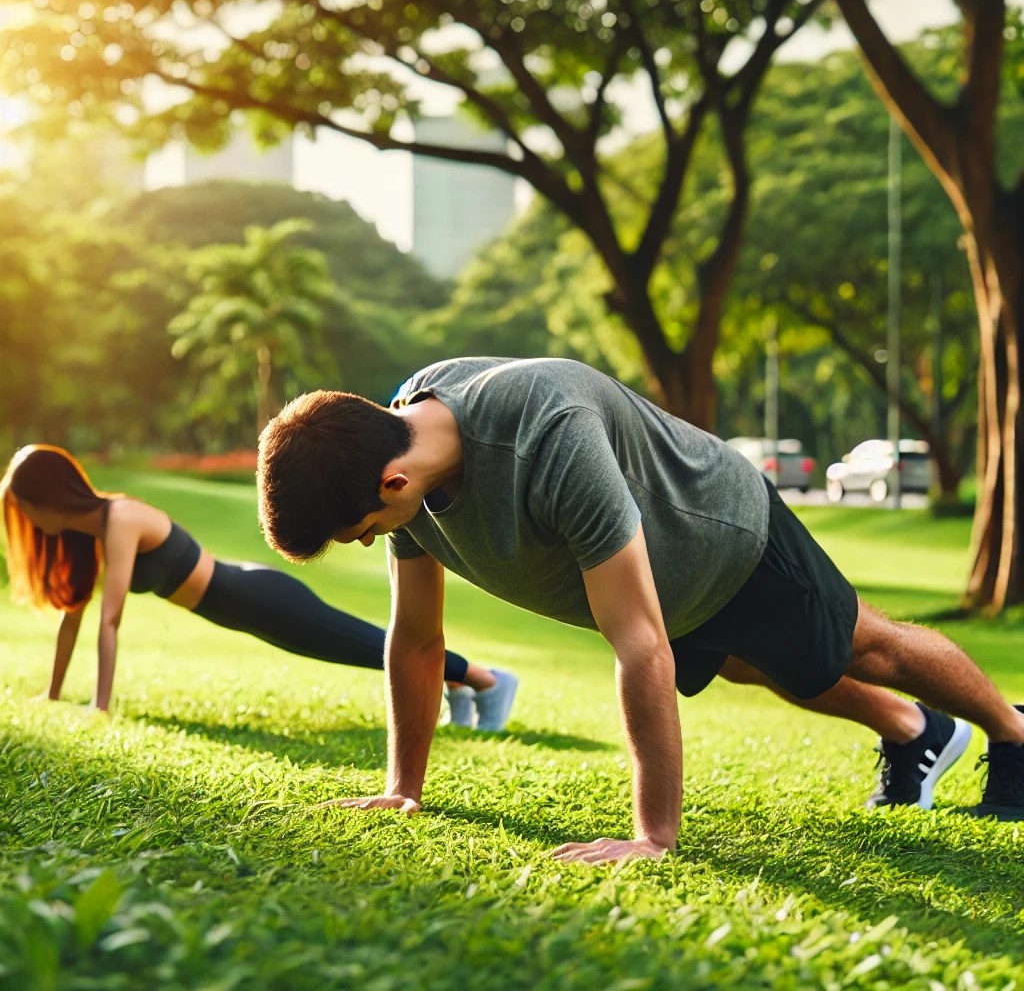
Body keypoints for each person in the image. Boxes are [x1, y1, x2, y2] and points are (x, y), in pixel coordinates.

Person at [256, 357, 1024, 862]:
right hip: (668, 578)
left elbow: (639, 644)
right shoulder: (400, 464)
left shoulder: (546, 432)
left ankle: (1014, 731)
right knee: (759, 668)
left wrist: (652, 836)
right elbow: (418, 639)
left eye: (360, 535)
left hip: (724, 535)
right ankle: (915, 732)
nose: (369, 545)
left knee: (868, 647)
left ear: (390, 484)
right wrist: (404, 788)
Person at [0, 445, 518, 730]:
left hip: (255, 598)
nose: (23, 519)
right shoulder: (84, 534)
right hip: (238, 608)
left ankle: (487, 679)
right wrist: (52, 694)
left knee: (360, 643)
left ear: (48, 497)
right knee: (358, 647)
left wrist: (100, 707)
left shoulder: (120, 518)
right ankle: (458, 685)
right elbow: (76, 614)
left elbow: (109, 618)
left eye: (24, 507)